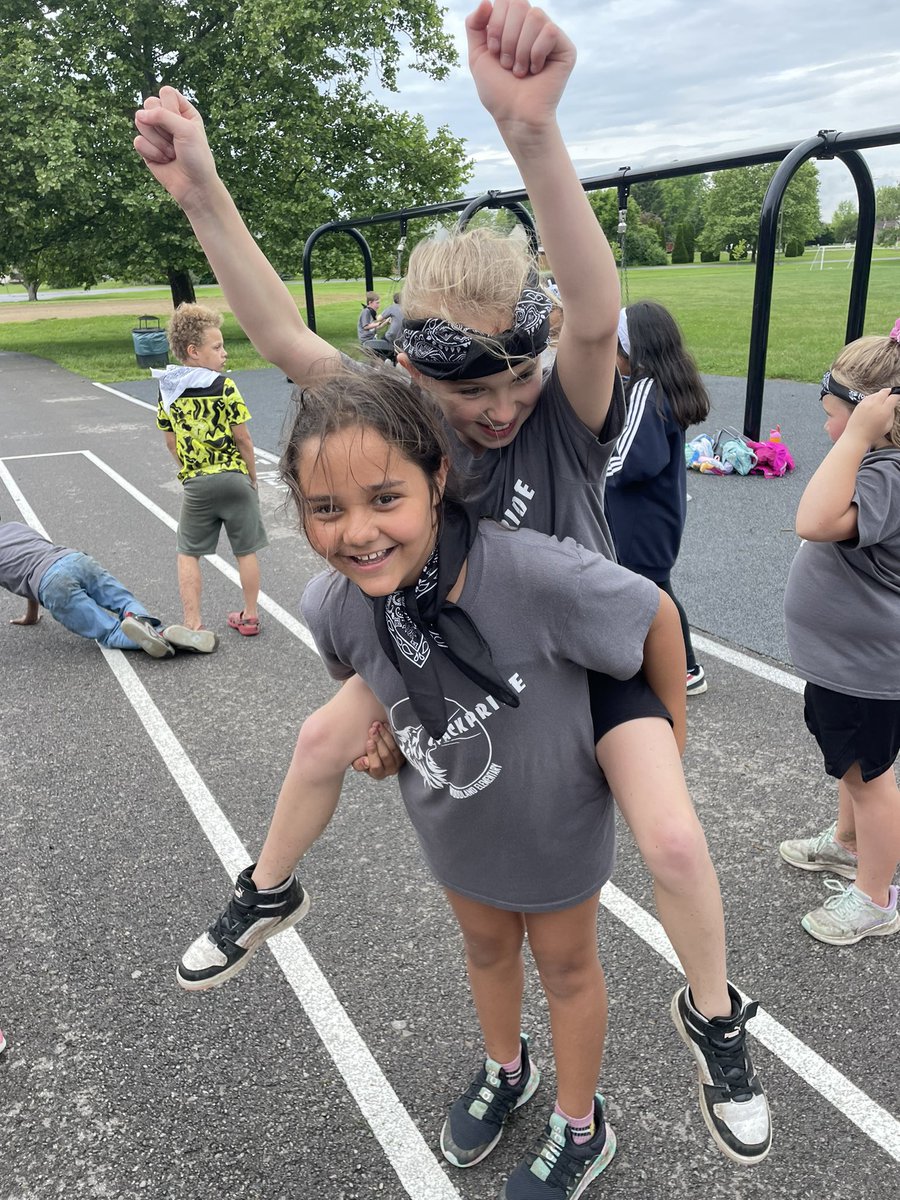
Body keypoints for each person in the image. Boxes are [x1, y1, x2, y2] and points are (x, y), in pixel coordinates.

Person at [134, 0, 770, 1165]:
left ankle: (716, 1015)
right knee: (323, 746)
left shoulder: (564, 413)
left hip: (580, 653)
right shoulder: (410, 419)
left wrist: (533, 134)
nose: (497, 408)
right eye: (472, 394)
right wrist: (201, 195)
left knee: (673, 843)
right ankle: (280, 898)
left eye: (514, 379)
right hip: (445, 643)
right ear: (420, 383)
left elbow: (589, 312)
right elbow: (282, 338)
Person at [292, 366, 683, 1193]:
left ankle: (582, 1127)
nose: (357, 532)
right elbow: (374, 680)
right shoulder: (336, 604)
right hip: (456, 823)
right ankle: (509, 1072)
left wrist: (667, 745)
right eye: (326, 509)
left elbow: (653, 614)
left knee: (568, 969)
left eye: (382, 498)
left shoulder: (537, 573)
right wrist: (386, 742)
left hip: (555, 823)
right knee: (484, 948)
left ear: (438, 477)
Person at [780, 327, 900, 945]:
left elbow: (813, 518)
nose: (828, 430)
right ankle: (849, 844)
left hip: (865, 669)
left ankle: (876, 898)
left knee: (870, 780)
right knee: (855, 768)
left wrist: (853, 438)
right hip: (848, 664)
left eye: (835, 418)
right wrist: (858, 435)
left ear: (876, 417)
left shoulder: (888, 474)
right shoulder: (879, 464)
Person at [605, 302, 710, 695]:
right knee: (656, 588)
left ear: (633, 350)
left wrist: (592, 472)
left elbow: (632, 461)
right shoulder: (659, 386)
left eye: (613, 347)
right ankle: (684, 666)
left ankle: (679, 668)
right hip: (655, 515)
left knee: (647, 592)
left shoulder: (647, 391)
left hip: (639, 521)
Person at [154, 303, 267, 646]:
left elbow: (170, 441)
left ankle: (193, 621)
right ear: (193, 351)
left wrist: (188, 472)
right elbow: (242, 437)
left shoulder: (167, 390)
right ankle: (249, 616)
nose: (224, 353)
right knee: (245, 550)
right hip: (234, 478)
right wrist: (252, 475)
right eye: (217, 347)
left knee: (188, 551)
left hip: (198, 484)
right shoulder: (224, 386)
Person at [1, 519, 174, 657]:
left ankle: (164, 637)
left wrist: (31, 617)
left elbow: (28, 572)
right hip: (73, 559)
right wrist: (31, 616)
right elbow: (27, 561)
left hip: (52, 583)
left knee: (110, 633)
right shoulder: (15, 526)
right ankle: (144, 620)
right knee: (125, 602)